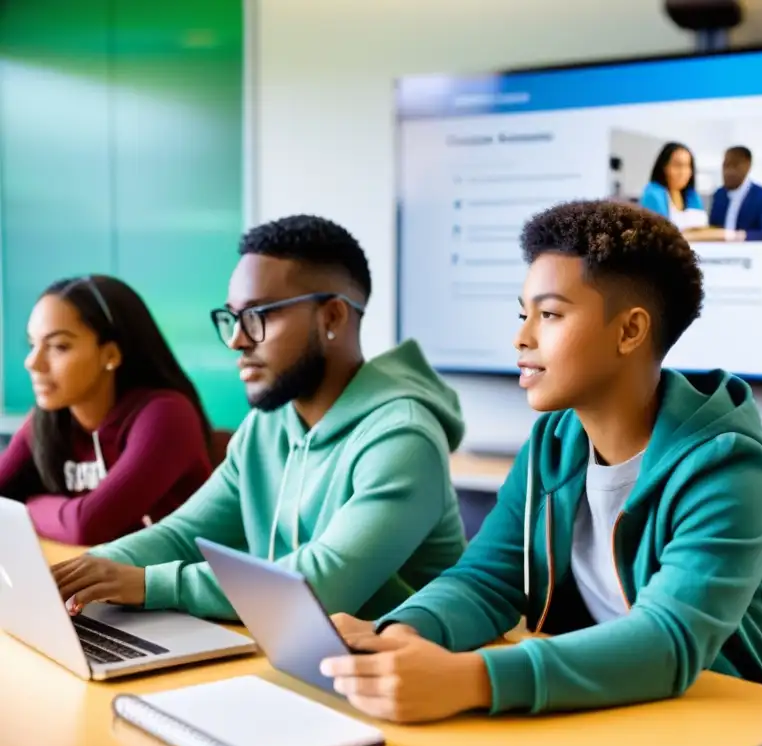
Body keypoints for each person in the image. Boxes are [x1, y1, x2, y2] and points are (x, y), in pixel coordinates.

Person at [320, 200, 762, 746]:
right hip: (617, 710)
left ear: (629, 330)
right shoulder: (554, 439)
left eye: (549, 315)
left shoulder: (727, 465)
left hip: (750, 737)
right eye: (522, 314)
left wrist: (472, 678)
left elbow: (667, 641)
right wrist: (404, 631)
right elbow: (486, 579)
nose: (521, 339)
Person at [50, 214, 468, 620]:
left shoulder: (405, 435)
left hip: (396, 675)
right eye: (232, 317)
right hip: (297, 654)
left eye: (259, 315)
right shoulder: (267, 427)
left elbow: (324, 583)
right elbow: (183, 535)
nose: (236, 339)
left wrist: (149, 584)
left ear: (333, 317)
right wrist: (83, 574)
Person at [0, 276, 213, 546]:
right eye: (33, 345)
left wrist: (28, 506)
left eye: (59, 346)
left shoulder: (167, 415)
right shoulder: (49, 420)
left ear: (110, 355)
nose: (33, 362)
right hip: (92, 576)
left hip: (170, 582)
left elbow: (87, 526)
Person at [709, 146, 762, 241]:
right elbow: (712, 227)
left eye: (734, 165)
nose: (728, 171)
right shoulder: (719, 195)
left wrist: (738, 236)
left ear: (747, 166)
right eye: (725, 165)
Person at [638, 142, 709, 232]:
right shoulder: (653, 195)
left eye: (688, 166)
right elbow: (661, 234)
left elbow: (702, 228)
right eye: (677, 165)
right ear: (664, 167)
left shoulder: (693, 196)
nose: (683, 172)